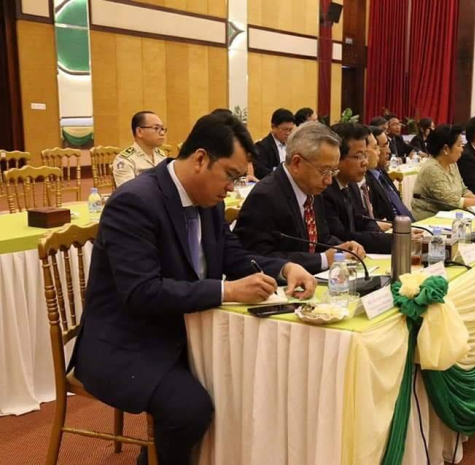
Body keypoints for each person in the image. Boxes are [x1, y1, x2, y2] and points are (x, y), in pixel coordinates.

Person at [71, 111, 316, 465]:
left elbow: (233, 256)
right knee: (190, 409)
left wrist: (285, 268)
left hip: (188, 329)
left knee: (255, 380)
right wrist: (227, 292)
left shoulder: (207, 200)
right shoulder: (135, 202)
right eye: (230, 175)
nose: (231, 187)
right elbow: (142, 293)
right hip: (128, 342)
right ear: (201, 159)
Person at [235, 122, 365, 275]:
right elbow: (257, 258)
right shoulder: (265, 197)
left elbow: (321, 239)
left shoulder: (313, 190)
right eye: (324, 171)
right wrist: (323, 259)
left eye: (333, 172)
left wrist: (343, 248)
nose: (329, 180)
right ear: (297, 163)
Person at [321, 123, 393, 253]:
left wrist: (396, 235)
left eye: (365, 155)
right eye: (359, 156)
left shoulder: (352, 184)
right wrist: (395, 241)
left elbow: (363, 220)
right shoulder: (324, 189)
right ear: (337, 158)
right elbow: (343, 237)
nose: (365, 162)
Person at [411, 124, 475, 220]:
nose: (462, 149)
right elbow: (452, 202)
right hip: (429, 220)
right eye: (459, 145)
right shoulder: (432, 169)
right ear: (446, 149)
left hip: (452, 216)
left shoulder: (452, 163)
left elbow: (463, 190)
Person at [366, 125, 415, 221]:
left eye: (388, 145)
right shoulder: (364, 180)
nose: (389, 151)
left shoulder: (381, 172)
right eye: (383, 146)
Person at [113, 111, 167, 187]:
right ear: (139, 132)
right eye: (156, 128)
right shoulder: (125, 159)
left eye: (162, 128)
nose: (162, 133)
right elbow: (129, 191)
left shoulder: (161, 155)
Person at [252, 108, 295, 179]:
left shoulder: (293, 145)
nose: (288, 133)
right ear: (273, 127)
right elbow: (260, 171)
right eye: (285, 129)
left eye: (290, 130)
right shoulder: (262, 146)